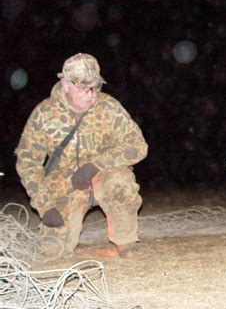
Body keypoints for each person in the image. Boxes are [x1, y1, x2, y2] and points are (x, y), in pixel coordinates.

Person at [15, 53, 148, 258]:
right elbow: (27, 163)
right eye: (83, 87)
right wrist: (44, 205)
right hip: (64, 185)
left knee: (119, 180)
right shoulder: (43, 114)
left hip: (103, 176)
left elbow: (138, 146)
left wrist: (96, 165)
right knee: (53, 251)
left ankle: (126, 242)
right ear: (65, 83)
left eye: (95, 87)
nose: (91, 93)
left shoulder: (109, 108)